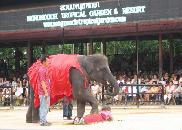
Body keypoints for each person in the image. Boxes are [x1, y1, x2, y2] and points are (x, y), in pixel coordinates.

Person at [37, 54, 51, 126]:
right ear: (44, 62)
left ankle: (44, 120)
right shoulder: (42, 70)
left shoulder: (45, 69)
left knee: (46, 106)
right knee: (43, 106)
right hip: (43, 92)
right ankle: (42, 121)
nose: (49, 62)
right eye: (48, 61)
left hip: (46, 91)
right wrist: (45, 92)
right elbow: (42, 82)